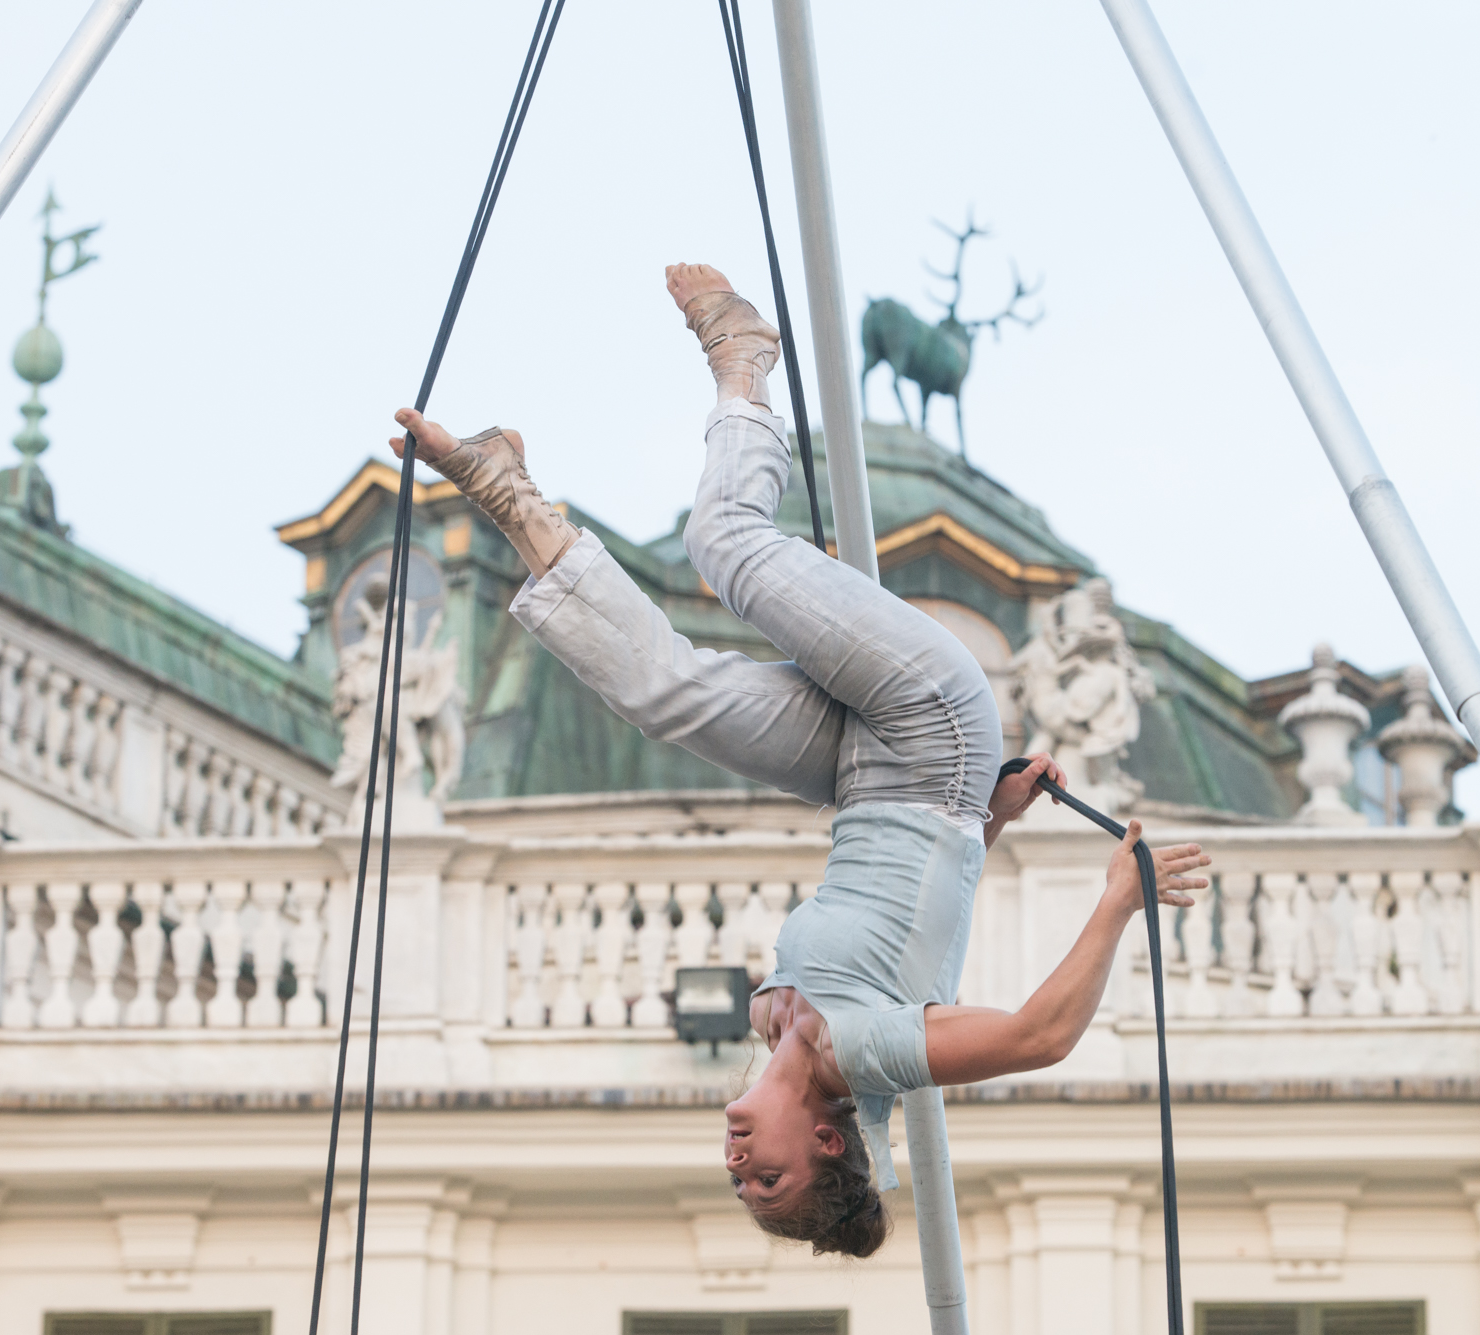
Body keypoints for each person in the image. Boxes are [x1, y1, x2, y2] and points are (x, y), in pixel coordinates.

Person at [389, 263, 1211, 1259]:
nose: (737, 1165)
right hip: (927, 729)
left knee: (663, 692)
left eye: (737, 1184)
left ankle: (503, 485)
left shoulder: (777, 1024)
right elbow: (1038, 1038)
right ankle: (743, 359)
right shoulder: (857, 1054)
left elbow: (916, 930)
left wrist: (987, 822)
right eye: (767, 1175)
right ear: (827, 1140)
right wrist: (1116, 898)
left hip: (865, 775)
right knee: (725, 544)